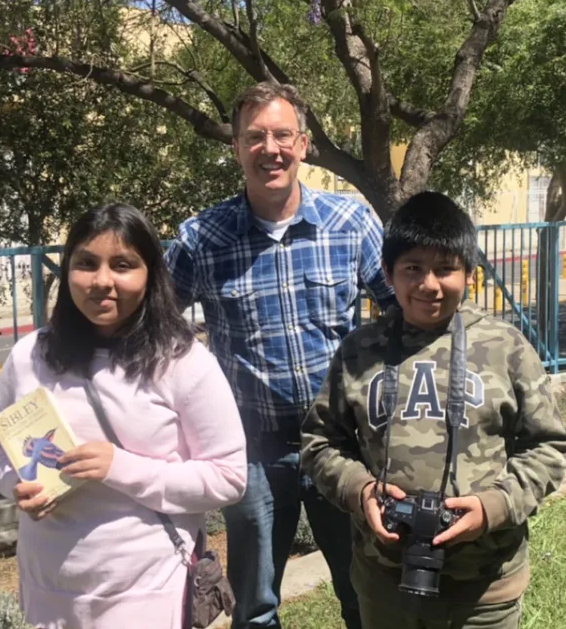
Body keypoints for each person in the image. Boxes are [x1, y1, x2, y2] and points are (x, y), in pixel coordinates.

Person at [164, 82, 395, 629]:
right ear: (237, 148)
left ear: (305, 144)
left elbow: (400, 317)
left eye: (282, 134)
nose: (271, 147)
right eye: (255, 136)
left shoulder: (351, 223)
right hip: (250, 453)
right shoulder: (202, 239)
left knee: (364, 592)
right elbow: (156, 328)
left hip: (343, 447)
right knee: (257, 605)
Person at [301, 191, 566, 629]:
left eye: (446, 268)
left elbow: (549, 447)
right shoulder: (358, 351)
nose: (429, 284)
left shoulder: (506, 348)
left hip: (485, 586)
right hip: (384, 580)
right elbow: (320, 442)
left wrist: (494, 507)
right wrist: (360, 490)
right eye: (413, 268)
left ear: (469, 273)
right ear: (388, 273)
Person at [0, 204, 247, 628]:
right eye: (86, 263)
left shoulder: (183, 362)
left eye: (123, 265)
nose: (102, 281)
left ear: (150, 274)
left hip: (148, 591)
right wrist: (16, 484)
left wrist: (119, 467)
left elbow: (229, 477)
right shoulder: (29, 357)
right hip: (50, 592)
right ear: (67, 270)